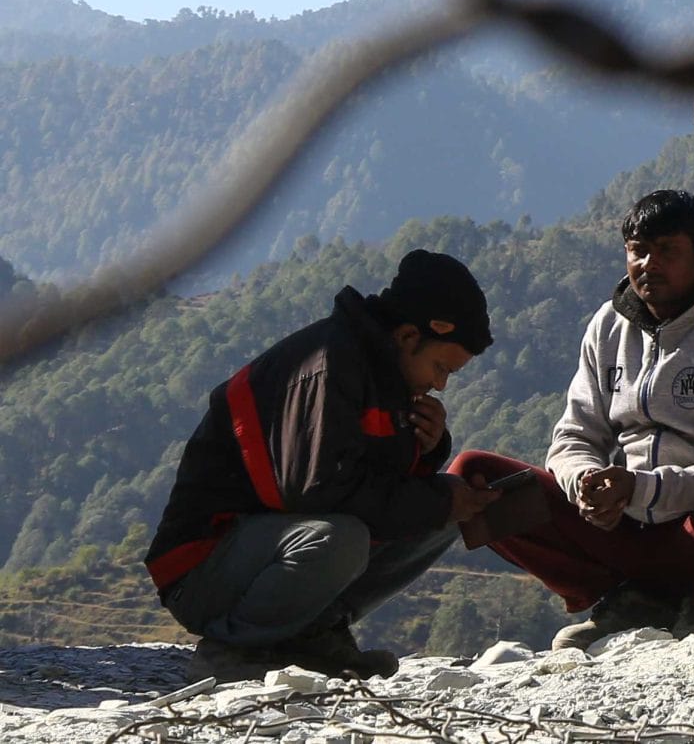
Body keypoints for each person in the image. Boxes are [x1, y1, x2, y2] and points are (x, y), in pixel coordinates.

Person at [449, 190, 694, 648]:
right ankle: (630, 600)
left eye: (667, 252)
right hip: (623, 526)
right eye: (638, 251)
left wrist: (643, 488)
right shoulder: (608, 325)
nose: (648, 265)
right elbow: (575, 433)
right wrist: (586, 481)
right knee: (475, 479)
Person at [145, 250, 500, 680]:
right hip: (202, 569)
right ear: (408, 337)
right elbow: (321, 490)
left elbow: (378, 481)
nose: (440, 384)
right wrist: (439, 498)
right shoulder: (328, 367)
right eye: (440, 367)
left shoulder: (383, 373)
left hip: (265, 547)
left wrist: (428, 448)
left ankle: (311, 634)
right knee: (344, 537)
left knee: (444, 514)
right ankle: (235, 649)